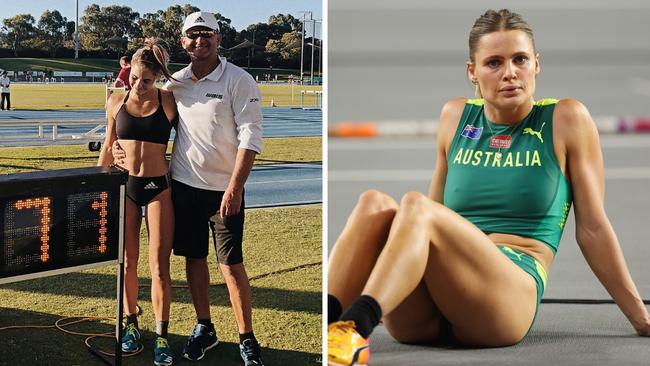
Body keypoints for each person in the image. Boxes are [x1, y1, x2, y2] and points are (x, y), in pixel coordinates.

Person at [327, 9, 650, 366]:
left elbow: (592, 229)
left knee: (415, 206)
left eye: (520, 59)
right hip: (432, 308)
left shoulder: (566, 119)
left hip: (506, 300)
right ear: (473, 73)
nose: (510, 72)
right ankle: (326, 332)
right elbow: (425, 221)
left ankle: (354, 328)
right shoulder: (454, 116)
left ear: (537, 64)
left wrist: (640, 315)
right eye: (494, 63)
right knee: (374, 203)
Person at [113, 11, 265, 365]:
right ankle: (204, 327)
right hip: (182, 187)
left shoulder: (239, 80)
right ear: (183, 42)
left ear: (218, 38)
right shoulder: (175, 85)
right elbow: (139, 119)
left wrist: (235, 187)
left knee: (231, 264)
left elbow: (251, 136)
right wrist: (117, 149)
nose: (200, 40)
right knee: (194, 260)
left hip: (224, 190)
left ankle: (247, 337)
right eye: (193, 35)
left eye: (207, 34)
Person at [98, 39, 178, 366]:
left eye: (146, 81)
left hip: (159, 187)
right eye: (133, 78)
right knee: (128, 263)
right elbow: (107, 146)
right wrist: (101, 178)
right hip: (126, 186)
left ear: (158, 76)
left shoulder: (170, 101)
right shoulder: (116, 102)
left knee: (159, 267)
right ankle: (131, 324)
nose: (138, 86)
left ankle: (161, 336)